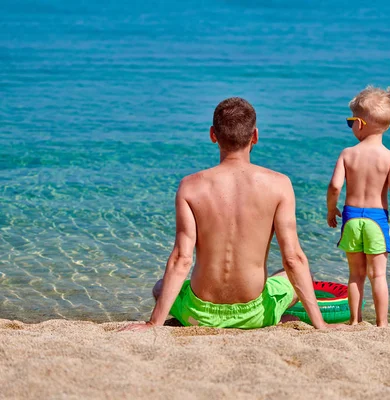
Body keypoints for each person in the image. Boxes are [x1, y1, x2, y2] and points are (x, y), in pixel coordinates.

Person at [122, 97, 338, 331]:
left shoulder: (190, 186)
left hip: (199, 314)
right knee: (288, 274)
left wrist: (154, 323)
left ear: (213, 135)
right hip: (254, 315)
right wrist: (321, 325)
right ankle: (281, 316)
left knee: (160, 286)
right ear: (255, 136)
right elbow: (293, 258)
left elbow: (181, 259)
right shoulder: (279, 185)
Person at [326, 86, 390, 327]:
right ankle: (382, 323)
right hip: (377, 219)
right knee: (378, 275)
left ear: (360, 124)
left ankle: (355, 321)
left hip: (352, 218)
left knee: (355, 275)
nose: (350, 126)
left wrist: (331, 209)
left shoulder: (347, 154)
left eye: (350, 121)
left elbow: (334, 186)